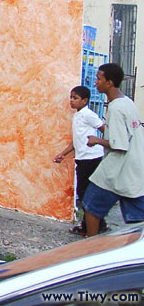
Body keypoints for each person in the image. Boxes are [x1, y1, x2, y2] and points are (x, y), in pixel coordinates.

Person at [82, 63, 144, 237]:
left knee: (91, 205)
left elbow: (119, 144)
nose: (95, 82)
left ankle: (91, 245)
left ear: (109, 83)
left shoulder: (116, 108)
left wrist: (96, 140)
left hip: (118, 168)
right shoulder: (127, 102)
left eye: (99, 78)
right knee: (137, 218)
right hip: (135, 168)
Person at [53, 85, 106, 235]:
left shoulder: (88, 115)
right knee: (85, 194)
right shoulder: (77, 116)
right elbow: (76, 141)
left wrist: (103, 142)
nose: (71, 100)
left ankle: (91, 227)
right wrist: (63, 154)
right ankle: (97, 225)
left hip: (91, 158)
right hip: (83, 159)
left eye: (75, 98)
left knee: (86, 195)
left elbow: (103, 128)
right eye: (71, 97)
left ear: (85, 101)